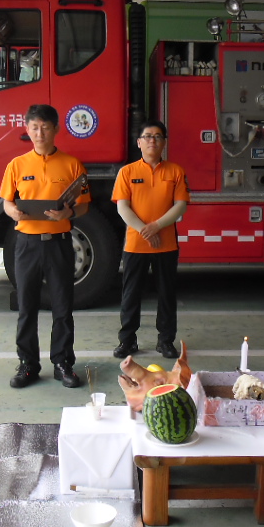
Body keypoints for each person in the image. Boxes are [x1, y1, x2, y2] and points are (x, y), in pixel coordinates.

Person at [0, 104, 90, 389]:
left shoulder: (72, 164)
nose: (40, 133)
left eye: (45, 127)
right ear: (27, 130)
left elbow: (84, 205)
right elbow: (6, 202)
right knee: (27, 307)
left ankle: (63, 363)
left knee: (62, 307)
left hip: (59, 245)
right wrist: (13, 212)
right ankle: (28, 365)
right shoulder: (16, 165)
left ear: (56, 129)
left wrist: (69, 213)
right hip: (27, 245)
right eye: (34, 127)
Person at [111, 120, 189, 360]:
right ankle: (127, 341)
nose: (152, 140)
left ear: (164, 142)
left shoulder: (175, 171)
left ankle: (165, 341)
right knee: (131, 294)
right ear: (139, 142)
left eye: (157, 136)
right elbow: (123, 207)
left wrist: (156, 226)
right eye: (147, 136)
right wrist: (145, 230)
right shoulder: (127, 172)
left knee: (166, 294)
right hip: (135, 244)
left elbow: (180, 205)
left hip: (166, 244)